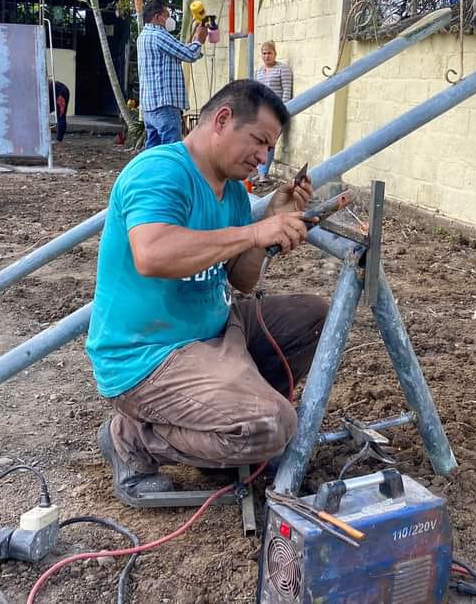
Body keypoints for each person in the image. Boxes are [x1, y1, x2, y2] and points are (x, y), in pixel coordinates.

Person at [87, 79, 327, 505]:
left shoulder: (232, 191)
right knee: (272, 426)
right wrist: (253, 232)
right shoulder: (160, 171)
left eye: (270, 148)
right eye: (259, 141)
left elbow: (241, 280)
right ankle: (131, 438)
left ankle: (223, 429)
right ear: (222, 120)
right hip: (149, 354)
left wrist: (267, 228)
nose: (263, 157)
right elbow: (153, 254)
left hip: (214, 331)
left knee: (312, 318)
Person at [137, 0, 207, 148]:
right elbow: (189, 55)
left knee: (154, 149)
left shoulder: (143, 36)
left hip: (150, 105)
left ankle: (153, 165)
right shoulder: (158, 35)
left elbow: (179, 52)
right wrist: (199, 40)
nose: (169, 19)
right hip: (164, 104)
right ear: (157, 17)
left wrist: (194, 41)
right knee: (171, 148)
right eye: (167, 15)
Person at [253, 41, 293, 179]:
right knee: (259, 141)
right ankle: (260, 171)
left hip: (276, 113)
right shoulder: (259, 71)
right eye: (264, 53)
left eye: (269, 53)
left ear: (275, 54)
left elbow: (286, 91)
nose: (266, 56)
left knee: (269, 141)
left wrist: (282, 112)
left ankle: (263, 173)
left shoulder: (282, 69)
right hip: (261, 113)